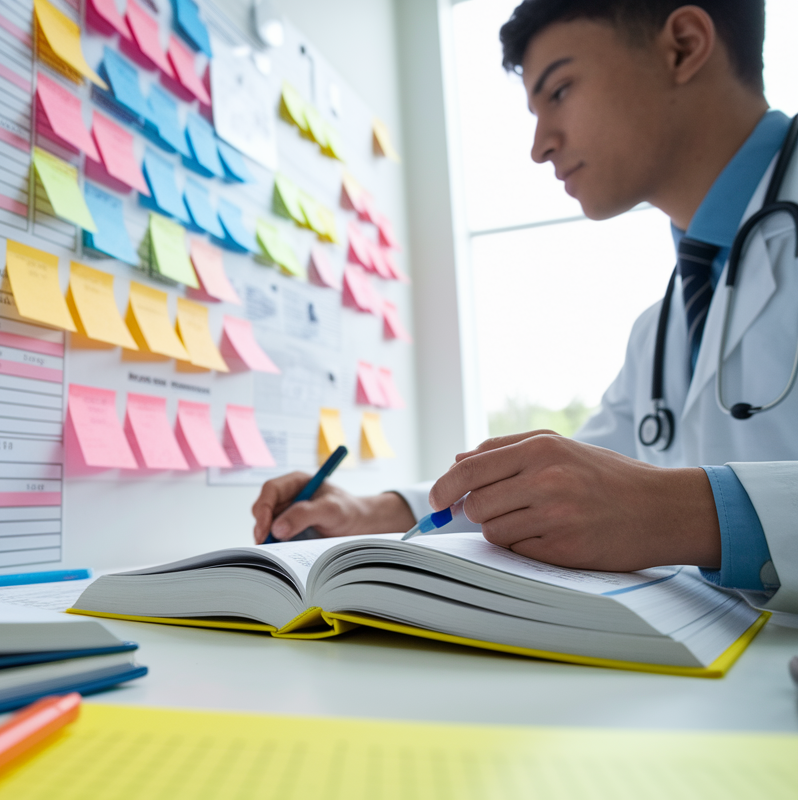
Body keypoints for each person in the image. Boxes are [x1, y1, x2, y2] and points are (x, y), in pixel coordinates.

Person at [252, 0, 798, 616]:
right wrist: (375, 512)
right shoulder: (665, 326)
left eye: (560, 90)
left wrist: (681, 512)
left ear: (683, 45)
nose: (540, 146)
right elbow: (563, 489)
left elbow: (638, 498)